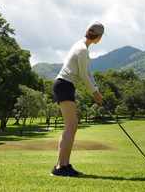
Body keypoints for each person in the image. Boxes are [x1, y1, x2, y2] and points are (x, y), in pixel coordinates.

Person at [50, 21, 105, 177]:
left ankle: (65, 166)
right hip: (63, 85)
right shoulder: (82, 50)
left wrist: (97, 92)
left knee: (73, 126)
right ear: (99, 37)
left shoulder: (82, 48)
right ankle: (59, 167)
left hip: (66, 86)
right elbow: (83, 76)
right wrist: (94, 94)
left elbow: (88, 73)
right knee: (70, 126)